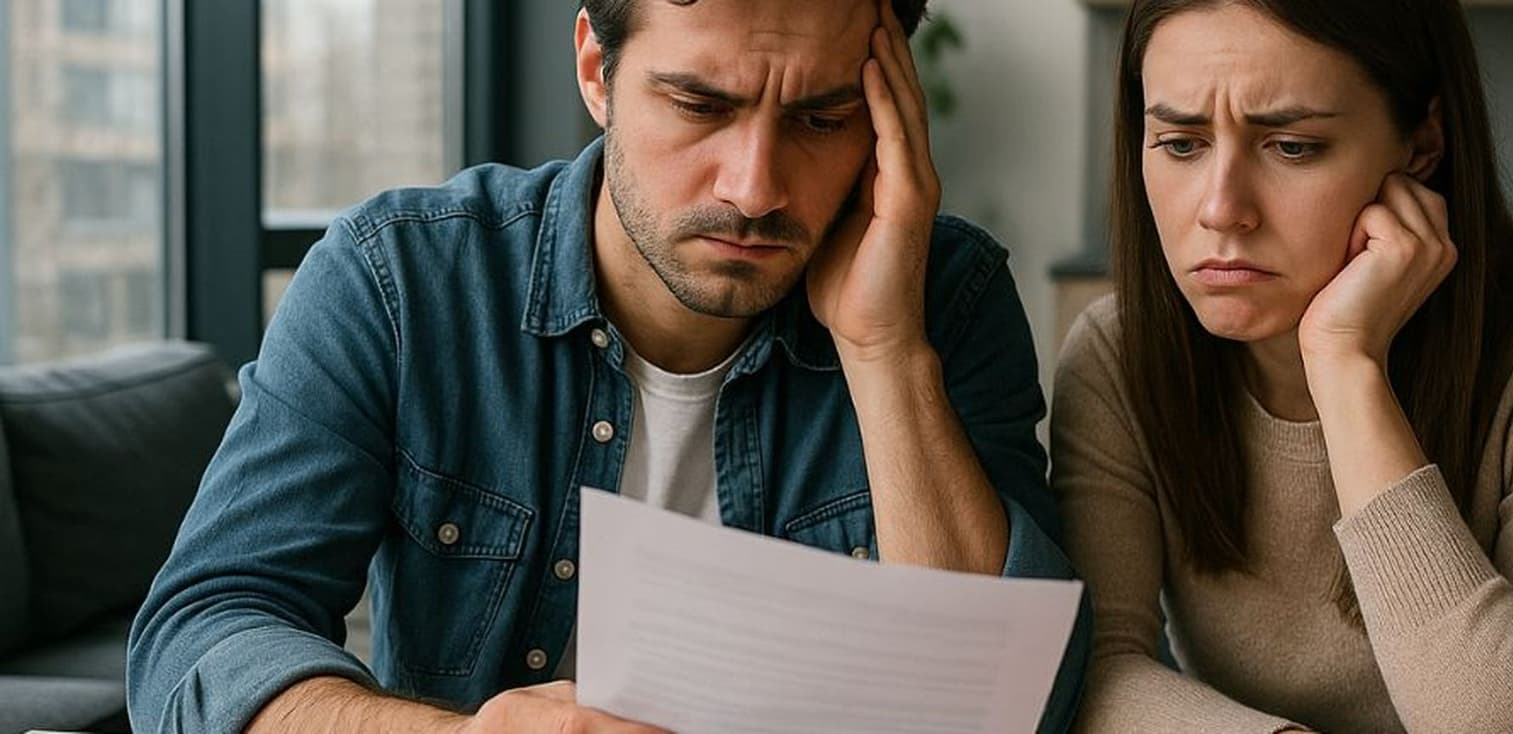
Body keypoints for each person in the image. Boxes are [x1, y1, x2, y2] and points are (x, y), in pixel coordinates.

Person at [128, 1, 1087, 731]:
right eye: (700, 105)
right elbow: (201, 637)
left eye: (823, 120)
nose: (755, 187)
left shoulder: (941, 299)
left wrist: (885, 353)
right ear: (597, 68)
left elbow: (1020, 706)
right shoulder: (399, 281)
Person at [1051, 0, 1513, 731]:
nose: (1221, 209)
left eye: (1292, 146)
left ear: (1422, 143)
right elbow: (1094, 673)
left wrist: (1347, 367)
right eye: (1182, 144)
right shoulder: (1118, 357)